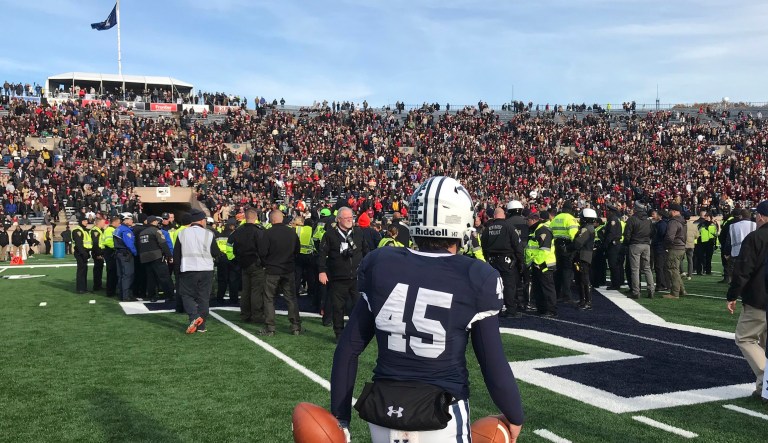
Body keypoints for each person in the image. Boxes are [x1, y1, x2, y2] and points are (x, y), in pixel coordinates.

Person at [330, 176, 523, 443]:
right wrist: (515, 415)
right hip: (441, 414)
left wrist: (340, 418)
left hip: (384, 412)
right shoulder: (475, 275)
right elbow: (492, 364)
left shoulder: (381, 263)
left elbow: (348, 349)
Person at [726, 200, 768, 400]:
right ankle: (763, 389)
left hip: (759, 299)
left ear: (760, 216)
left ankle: (766, 378)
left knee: (744, 338)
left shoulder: (755, 238)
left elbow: (743, 270)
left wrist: (732, 295)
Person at [318, 207, 369, 341]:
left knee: (359, 306)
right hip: (338, 277)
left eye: (351, 217)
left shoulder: (358, 232)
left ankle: (358, 332)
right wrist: (322, 271)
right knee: (338, 307)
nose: (349, 220)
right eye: (346, 218)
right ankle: (339, 334)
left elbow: (366, 251)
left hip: (356, 277)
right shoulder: (330, 235)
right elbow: (322, 254)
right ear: (339, 219)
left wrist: (367, 268)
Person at [174, 209, 221, 334]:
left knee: (186, 295)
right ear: (201, 220)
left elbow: (177, 255)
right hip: (206, 270)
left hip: (188, 269)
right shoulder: (209, 234)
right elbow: (215, 252)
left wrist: (177, 272)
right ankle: (201, 326)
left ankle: (194, 317)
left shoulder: (182, 233)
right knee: (203, 297)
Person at [261, 209, 302, 336]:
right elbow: (297, 250)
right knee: (291, 298)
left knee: (269, 298)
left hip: (272, 270)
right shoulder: (291, 233)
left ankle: (270, 327)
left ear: (271, 220)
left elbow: (262, 252)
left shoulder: (267, 233)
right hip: (288, 269)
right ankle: (295, 326)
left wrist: (266, 263)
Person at [482, 207, 524, 317]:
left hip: (492, 261)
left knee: (495, 285)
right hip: (506, 261)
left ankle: (496, 309)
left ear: (494, 216)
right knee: (509, 286)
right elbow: (518, 246)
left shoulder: (487, 229)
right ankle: (510, 310)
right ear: (504, 215)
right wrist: (520, 261)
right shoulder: (510, 227)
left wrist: (487, 258)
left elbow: (483, 246)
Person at [229, 208, 266, 323]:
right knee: (256, 291)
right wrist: (263, 263)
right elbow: (262, 249)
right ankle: (257, 315)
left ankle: (245, 314)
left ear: (245, 217)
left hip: (243, 263)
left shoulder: (238, 231)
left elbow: (233, 247)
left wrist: (238, 260)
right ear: (255, 218)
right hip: (256, 263)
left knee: (246, 291)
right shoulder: (258, 231)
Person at [526, 211, 558, 316]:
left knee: (547, 288)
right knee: (538, 288)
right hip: (538, 264)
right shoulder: (536, 230)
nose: (527, 222)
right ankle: (542, 308)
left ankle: (551, 310)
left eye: (528, 220)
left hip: (544, 264)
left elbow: (544, 250)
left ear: (533, 220)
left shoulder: (543, 230)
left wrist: (537, 262)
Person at [137, 216, 174, 302]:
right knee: (164, 277)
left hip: (145, 258)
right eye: (156, 221)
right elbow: (163, 244)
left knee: (151, 278)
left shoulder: (141, 233)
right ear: (153, 222)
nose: (157, 222)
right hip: (156, 256)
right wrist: (169, 256)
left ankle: (151, 296)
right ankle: (169, 295)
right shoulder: (156, 231)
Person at [623, 202, 655, 299]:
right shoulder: (648, 220)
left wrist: (627, 243)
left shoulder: (632, 219)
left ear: (636, 209)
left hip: (635, 244)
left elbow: (627, 234)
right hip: (646, 245)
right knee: (647, 268)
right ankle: (651, 290)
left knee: (635, 269)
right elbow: (652, 232)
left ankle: (636, 291)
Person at [550, 201, 579, 303]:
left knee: (557, 271)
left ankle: (556, 293)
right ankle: (566, 295)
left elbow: (550, 231)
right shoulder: (570, 219)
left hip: (556, 247)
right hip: (566, 247)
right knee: (567, 271)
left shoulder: (556, 218)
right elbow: (574, 235)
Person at [570, 208, 597, 309]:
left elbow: (577, 243)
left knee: (584, 279)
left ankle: (587, 301)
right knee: (581, 279)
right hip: (584, 255)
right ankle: (583, 300)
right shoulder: (589, 228)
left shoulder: (586, 229)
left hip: (583, 256)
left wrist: (569, 247)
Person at [663, 204, 687, 299]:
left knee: (672, 270)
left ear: (673, 211)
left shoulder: (673, 222)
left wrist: (666, 246)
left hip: (675, 248)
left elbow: (669, 237)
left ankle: (674, 293)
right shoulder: (682, 221)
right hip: (681, 247)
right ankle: (681, 290)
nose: (668, 212)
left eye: (670, 210)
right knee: (676, 270)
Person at [114, 213, 138, 301]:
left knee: (121, 275)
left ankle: (122, 295)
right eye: (130, 219)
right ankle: (126, 296)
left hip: (119, 253)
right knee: (128, 275)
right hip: (126, 254)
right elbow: (130, 244)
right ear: (125, 220)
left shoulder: (118, 229)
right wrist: (135, 253)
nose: (132, 221)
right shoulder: (126, 230)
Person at [100, 216, 120, 297]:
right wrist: (116, 247)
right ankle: (110, 291)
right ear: (114, 222)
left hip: (110, 252)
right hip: (110, 252)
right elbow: (108, 242)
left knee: (113, 272)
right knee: (112, 272)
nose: (119, 224)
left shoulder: (110, 229)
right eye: (118, 222)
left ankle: (112, 290)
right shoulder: (110, 230)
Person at [72, 215, 92, 294]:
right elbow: (79, 243)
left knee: (84, 270)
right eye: (84, 221)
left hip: (85, 252)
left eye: (86, 221)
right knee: (81, 271)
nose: (86, 222)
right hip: (80, 253)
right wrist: (83, 253)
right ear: (81, 221)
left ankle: (84, 288)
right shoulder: (77, 230)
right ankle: (80, 288)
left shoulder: (85, 230)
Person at [90, 217, 106, 292]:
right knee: (97, 269)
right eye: (103, 223)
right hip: (97, 252)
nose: (104, 224)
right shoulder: (95, 231)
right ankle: (96, 286)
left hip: (100, 252)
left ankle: (98, 285)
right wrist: (98, 254)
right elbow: (95, 243)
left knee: (99, 269)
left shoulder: (99, 230)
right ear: (98, 223)